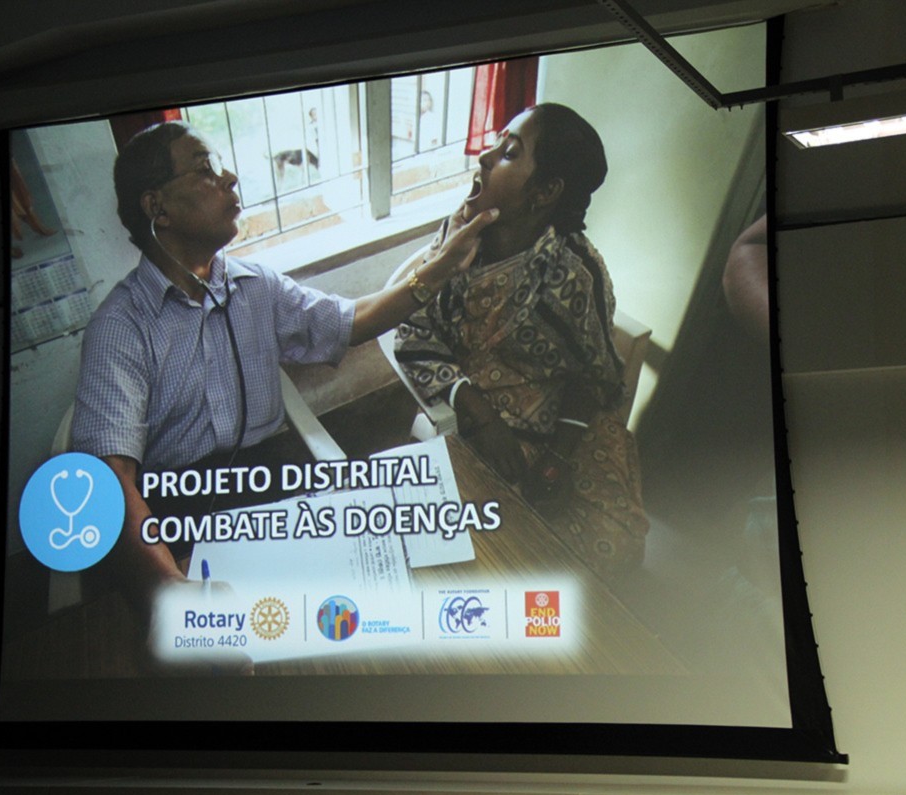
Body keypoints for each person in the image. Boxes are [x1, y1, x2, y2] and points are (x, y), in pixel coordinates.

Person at [71, 120, 499, 602]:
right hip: (174, 516)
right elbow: (110, 478)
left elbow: (351, 322)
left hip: (268, 485)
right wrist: (170, 587)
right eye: (205, 169)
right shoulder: (120, 327)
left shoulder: (256, 286)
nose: (229, 178)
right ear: (157, 208)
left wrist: (441, 265)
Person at [394, 103, 648, 578]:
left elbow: (594, 377)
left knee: (613, 543)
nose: (484, 157)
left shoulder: (576, 274)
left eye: (509, 152)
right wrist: (480, 412)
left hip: (563, 421)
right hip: (473, 412)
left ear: (545, 192)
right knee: (493, 550)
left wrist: (558, 458)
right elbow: (412, 330)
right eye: (496, 144)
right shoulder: (460, 235)